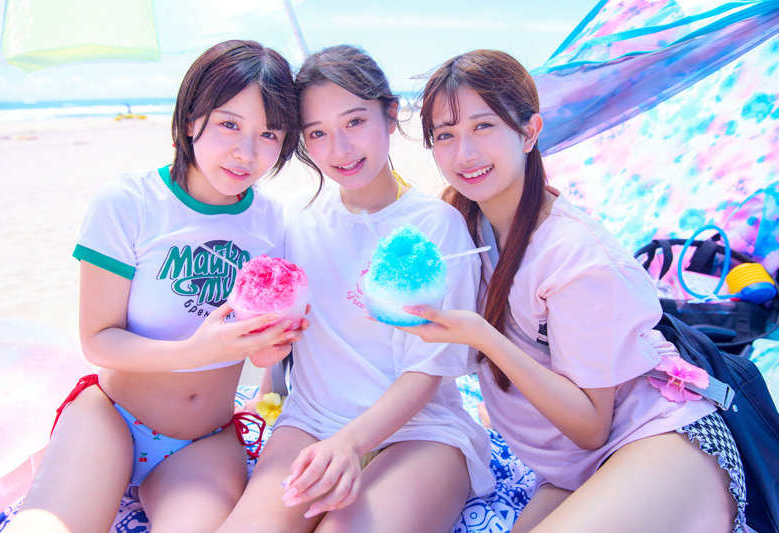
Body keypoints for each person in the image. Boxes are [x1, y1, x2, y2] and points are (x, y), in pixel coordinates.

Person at [401, 49, 747, 532]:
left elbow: (590, 426)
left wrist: (483, 337)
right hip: (570, 469)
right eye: (445, 135)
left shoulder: (576, 255)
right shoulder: (462, 227)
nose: (465, 153)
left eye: (484, 126)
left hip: (660, 437)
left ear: (529, 132)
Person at [6, 40, 302, 533]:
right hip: (111, 418)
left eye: (269, 133)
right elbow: (98, 340)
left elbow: (262, 345)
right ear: (190, 120)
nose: (246, 152)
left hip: (205, 440)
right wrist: (196, 351)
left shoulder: (273, 223)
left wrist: (271, 348)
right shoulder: (129, 203)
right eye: (229, 124)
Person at [217, 45, 494, 533]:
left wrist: (352, 443)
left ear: (390, 114)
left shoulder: (437, 227)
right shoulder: (295, 220)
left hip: (421, 431)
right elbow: (278, 336)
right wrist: (264, 362)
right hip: (311, 422)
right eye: (317, 133)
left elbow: (428, 369)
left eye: (355, 122)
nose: (340, 149)